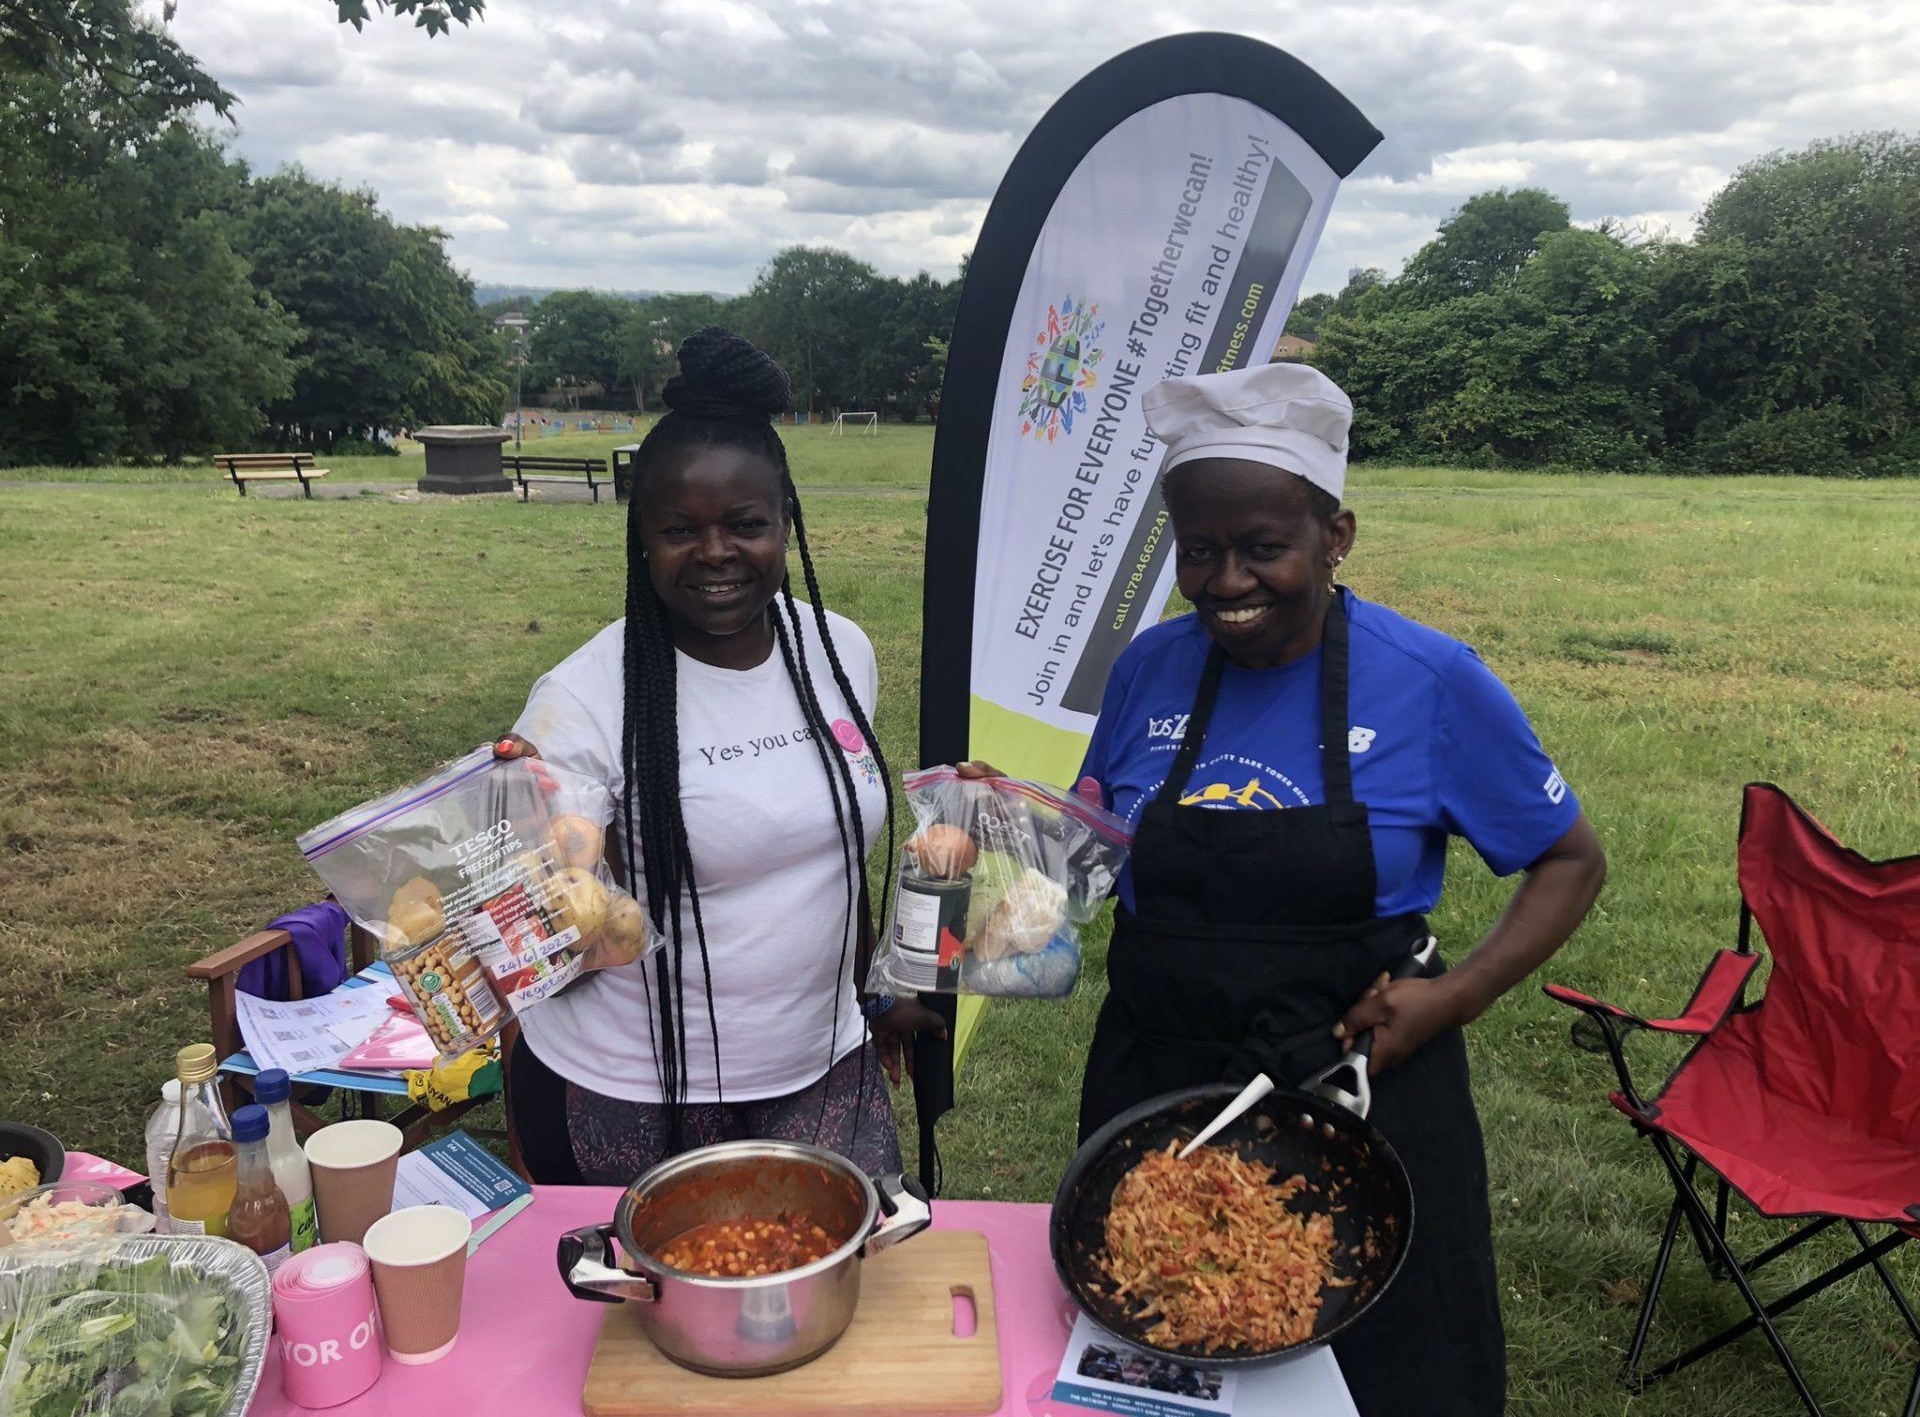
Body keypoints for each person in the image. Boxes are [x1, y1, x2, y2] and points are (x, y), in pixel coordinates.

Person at [966, 362, 1605, 1415]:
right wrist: (998, 834)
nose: (1226, 581)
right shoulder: (1147, 671)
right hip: (1157, 1088)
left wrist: (1455, 996)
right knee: (1162, 1343)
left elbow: (1572, 860)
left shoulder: (1431, 681)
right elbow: (1095, 847)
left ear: (1335, 537)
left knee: (1401, 1374)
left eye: (1264, 548)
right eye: (1201, 550)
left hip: (1360, 1090)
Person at [499, 328, 943, 1185]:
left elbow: (831, 851)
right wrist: (555, 891)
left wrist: (871, 994)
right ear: (642, 538)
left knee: (847, 1298)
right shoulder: (583, 699)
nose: (714, 554)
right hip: (635, 1092)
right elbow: (539, 932)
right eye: (679, 529)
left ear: (786, 522)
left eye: (745, 524)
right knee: (652, 1314)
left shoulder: (839, 654)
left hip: (824, 1070)